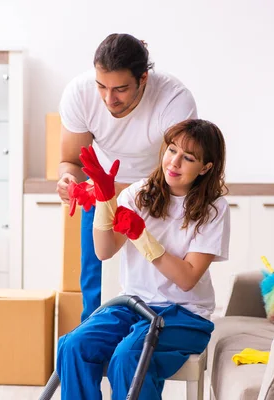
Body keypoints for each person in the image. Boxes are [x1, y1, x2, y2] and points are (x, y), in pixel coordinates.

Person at [57, 118, 230, 399]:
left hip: (184, 316)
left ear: (206, 167)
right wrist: (104, 199)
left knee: (130, 356)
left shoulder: (213, 209)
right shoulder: (139, 193)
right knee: (74, 345)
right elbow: (104, 251)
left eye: (188, 158)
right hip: (133, 306)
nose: (174, 162)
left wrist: (142, 237)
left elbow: (186, 278)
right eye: (172, 150)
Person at [56, 33, 198, 321]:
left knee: (158, 286)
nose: (109, 98)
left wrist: (115, 190)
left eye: (120, 89)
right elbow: (70, 161)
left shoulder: (173, 100)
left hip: (160, 196)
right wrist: (69, 181)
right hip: (103, 195)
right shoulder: (79, 93)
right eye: (101, 86)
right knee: (95, 285)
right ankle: (94, 352)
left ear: (143, 78)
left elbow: (179, 175)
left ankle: (147, 346)